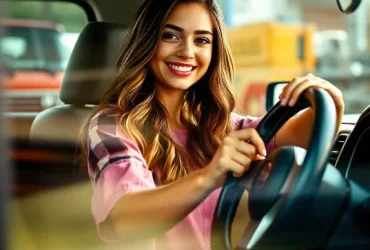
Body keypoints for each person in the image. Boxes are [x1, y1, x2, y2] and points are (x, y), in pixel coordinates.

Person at [80, 0, 344, 249]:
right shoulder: (111, 127)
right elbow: (125, 220)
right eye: (170, 35)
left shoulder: (222, 125)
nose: (187, 51)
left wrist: (329, 98)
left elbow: (304, 143)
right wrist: (208, 177)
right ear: (148, 41)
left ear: (213, 51)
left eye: (201, 40)